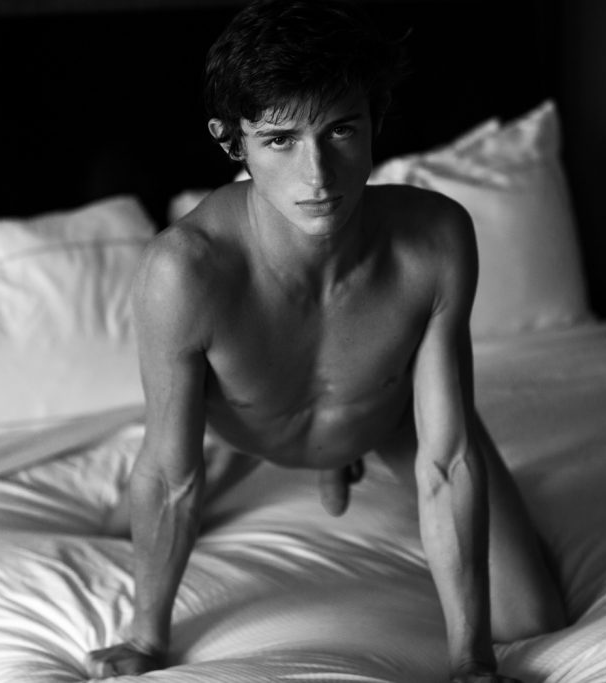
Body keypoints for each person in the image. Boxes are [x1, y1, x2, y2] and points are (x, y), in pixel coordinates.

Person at [86, 1, 565, 680]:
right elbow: (169, 474)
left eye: (340, 130)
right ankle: (267, 456)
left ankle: (337, 454)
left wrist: (472, 661)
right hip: (242, 425)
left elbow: (447, 459)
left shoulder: (437, 240)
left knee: (533, 616)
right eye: (280, 140)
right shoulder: (184, 272)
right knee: (135, 512)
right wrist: (146, 638)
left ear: (376, 120)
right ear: (231, 141)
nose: (318, 175)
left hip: (385, 412)